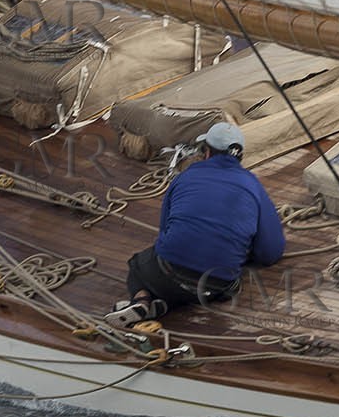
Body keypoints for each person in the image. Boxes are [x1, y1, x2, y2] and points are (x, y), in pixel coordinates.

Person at [104, 121, 285, 328]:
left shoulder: (185, 178)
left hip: (168, 272)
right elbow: (271, 252)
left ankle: (143, 300)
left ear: (206, 152)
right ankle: (167, 303)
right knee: (211, 284)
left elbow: (164, 230)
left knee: (138, 265)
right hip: (217, 287)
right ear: (240, 156)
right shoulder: (253, 185)